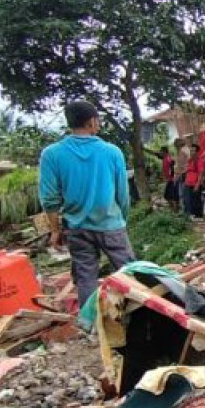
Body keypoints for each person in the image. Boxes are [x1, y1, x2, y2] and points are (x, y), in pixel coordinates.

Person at [38, 101, 135, 305]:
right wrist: (122, 218)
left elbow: (49, 199)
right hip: (111, 224)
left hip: (77, 227)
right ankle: (138, 316)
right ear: (92, 122)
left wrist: (55, 230)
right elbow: (123, 193)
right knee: (129, 274)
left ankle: (89, 325)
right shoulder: (112, 152)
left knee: (85, 277)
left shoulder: (52, 154)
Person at [183, 143, 205, 219]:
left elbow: (201, 173)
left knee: (196, 201)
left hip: (195, 184)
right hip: (187, 183)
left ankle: (198, 216)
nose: (191, 152)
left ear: (197, 152)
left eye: (193, 150)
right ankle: (190, 215)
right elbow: (186, 170)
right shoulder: (190, 161)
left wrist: (197, 184)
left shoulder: (200, 161)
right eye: (191, 150)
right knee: (187, 200)